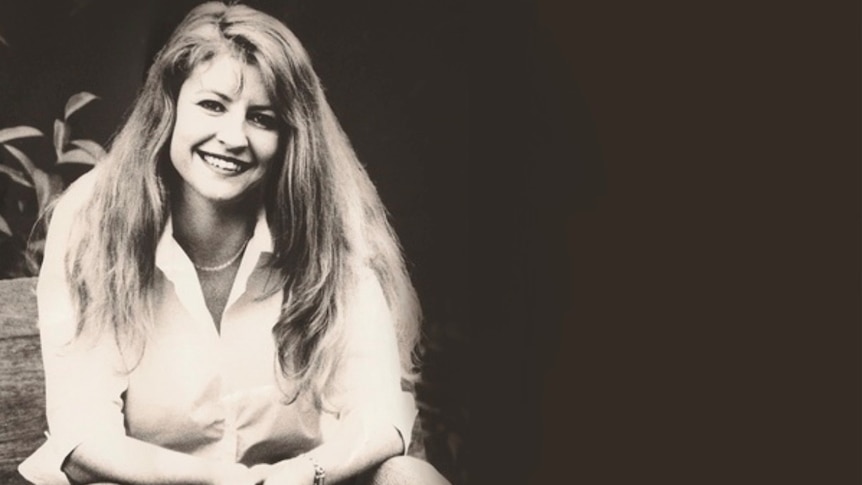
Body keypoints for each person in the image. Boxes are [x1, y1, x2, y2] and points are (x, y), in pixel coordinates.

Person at [18, 2, 448, 484]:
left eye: (262, 118)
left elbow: (381, 414)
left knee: (410, 477)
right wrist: (222, 480)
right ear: (168, 106)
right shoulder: (95, 215)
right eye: (213, 105)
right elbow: (82, 439)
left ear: (290, 135)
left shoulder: (328, 217)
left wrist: (305, 472)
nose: (234, 137)